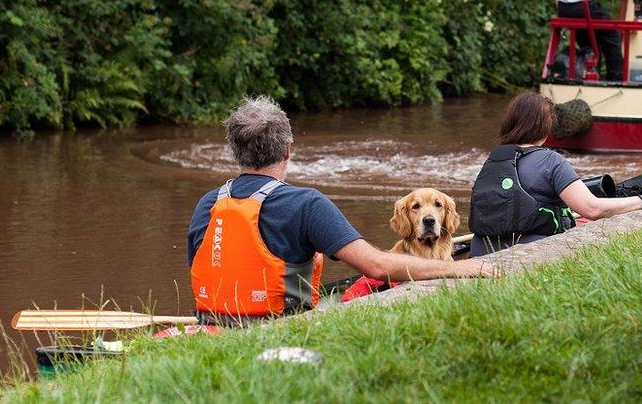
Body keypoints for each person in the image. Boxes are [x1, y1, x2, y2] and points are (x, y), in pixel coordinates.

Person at [188, 96, 494, 324]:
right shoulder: (307, 204)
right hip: (278, 330)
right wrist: (460, 267)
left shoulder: (207, 203)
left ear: (235, 151)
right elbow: (376, 266)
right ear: (287, 150)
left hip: (213, 325)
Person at [467, 92, 642, 257]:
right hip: (528, 253)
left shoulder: (493, 160)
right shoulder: (550, 160)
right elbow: (593, 209)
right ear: (545, 126)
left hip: (480, 251)